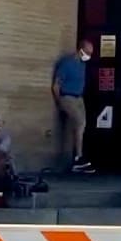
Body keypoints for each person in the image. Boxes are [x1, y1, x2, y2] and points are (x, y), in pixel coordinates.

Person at [52, 38, 94, 173]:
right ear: (80, 50)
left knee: (81, 125)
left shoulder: (83, 64)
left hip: (78, 97)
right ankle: (78, 157)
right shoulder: (67, 63)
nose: (89, 56)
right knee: (79, 122)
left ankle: (76, 157)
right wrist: (59, 101)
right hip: (67, 96)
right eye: (87, 52)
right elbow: (56, 85)